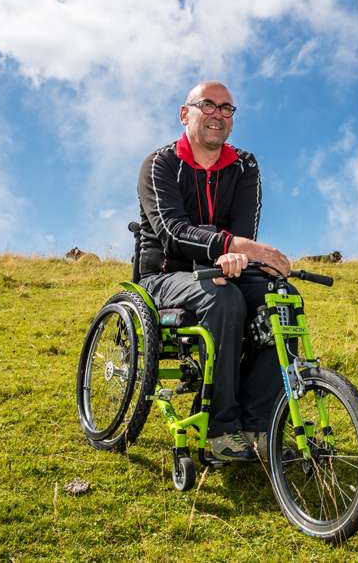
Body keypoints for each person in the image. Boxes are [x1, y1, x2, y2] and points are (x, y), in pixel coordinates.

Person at [136, 81, 292, 462]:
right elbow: (172, 233)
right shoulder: (159, 165)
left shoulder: (244, 166)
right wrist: (232, 248)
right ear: (184, 114)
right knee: (224, 300)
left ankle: (259, 426)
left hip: (226, 268)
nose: (217, 115)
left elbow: (243, 231)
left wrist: (237, 253)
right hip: (165, 275)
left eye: (226, 109)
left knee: (283, 299)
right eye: (207, 105)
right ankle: (221, 428)